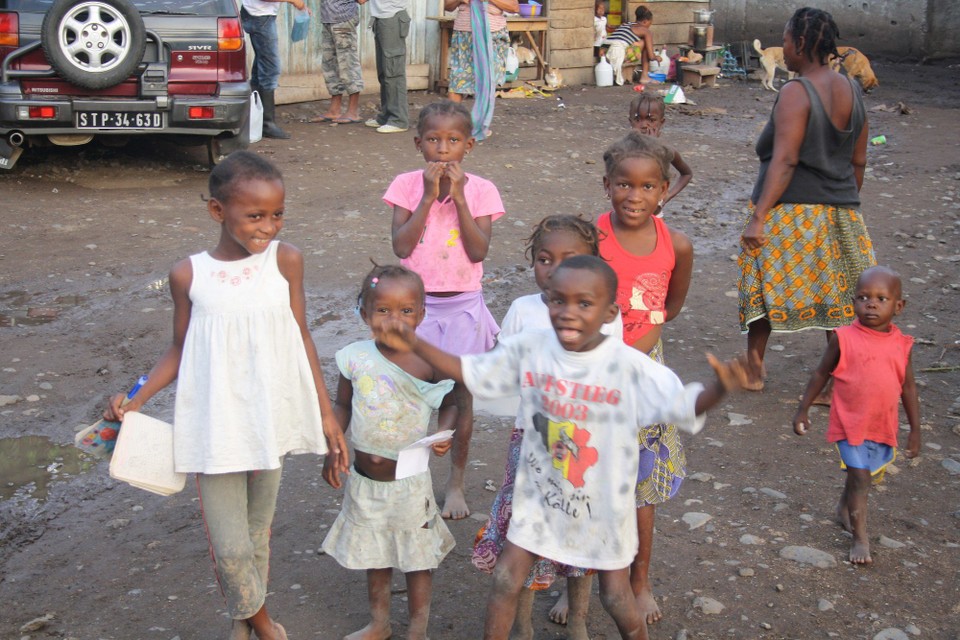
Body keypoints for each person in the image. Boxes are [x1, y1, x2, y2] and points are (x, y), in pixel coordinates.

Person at [378, 254, 750, 640]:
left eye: (584, 303)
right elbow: (472, 371)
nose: (568, 312)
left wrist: (719, 387)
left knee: (615, 596)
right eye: (558, 300)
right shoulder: (531, 348)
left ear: (610, 313)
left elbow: (683, 405)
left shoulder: (627, 366)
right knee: (506, 578)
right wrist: (415, 342)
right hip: (538, 497)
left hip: (602, 509)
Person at [101, 151, 349, 640]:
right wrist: (135, 396)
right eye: (254, 215)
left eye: (277, 214)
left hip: (269, 419)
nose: (268, 226)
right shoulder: (189, 275)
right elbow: (178, 348)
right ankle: (264, 625)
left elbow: (301, 334)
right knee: (230, 545)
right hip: (214, 426)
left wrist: (327, 414)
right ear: (218, 212)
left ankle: (241, 625)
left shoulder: (287, 261)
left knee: (258, 534)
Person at [471, 215, 623, 640]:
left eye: (569, 259)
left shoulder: (606, 313)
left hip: (583, 445)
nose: (554, 268)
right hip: (532, 441)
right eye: (543, 258)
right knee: (524, 532)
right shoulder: (523, 310)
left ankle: (578, 617)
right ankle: (521, 626)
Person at [739, 7, 875, 394]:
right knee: (838, 295)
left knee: (762, 289)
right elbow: (859, 161)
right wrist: (842, 202)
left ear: (801, 43)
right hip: (842, 210)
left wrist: (759, 216)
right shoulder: (851, 89)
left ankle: (754, 369)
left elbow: (785, 158)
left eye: (784, 41)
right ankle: (840, 381)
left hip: (788, 209)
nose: (782, 49)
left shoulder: (796, 92)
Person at [321, 264, 457, 640]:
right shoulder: (354, 358)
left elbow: (455, 399)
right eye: (382, 310)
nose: (394, 320)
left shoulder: (428, 361)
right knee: (375, 555)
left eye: (406, 310)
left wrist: (445, 432)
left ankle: (418, 628)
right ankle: (379, 623)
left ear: (422, 314)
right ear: (364, 313)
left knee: (417, 560)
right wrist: (333, 446)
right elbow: (342, 406)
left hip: (409, 481)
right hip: (366, 481)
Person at [386, 100, 505, 519]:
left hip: (464, 308)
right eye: (433, 140)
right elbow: (401, 247)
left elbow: (478, 250)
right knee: (411, 395)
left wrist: (457, 199)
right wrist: (426, 198)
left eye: (453, 141)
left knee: (461, 398)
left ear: (468, 146)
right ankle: (412, 482)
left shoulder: (482, 190)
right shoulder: (405, 185)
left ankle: (455, 483)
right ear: (419, 144)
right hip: (415, 310)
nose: (443, 149)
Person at [597, 131, 693, 625]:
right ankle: (575, 579)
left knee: (641, 483)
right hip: (591, 372)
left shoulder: (676, 243)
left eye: (647, 187)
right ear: (607, 184)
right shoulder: (591, 237)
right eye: (623, 185)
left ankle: (640, 579)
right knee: (583, 475)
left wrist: (640, 336)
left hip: (643, 375)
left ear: (663, 191)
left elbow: (669, 308)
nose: (634, 197)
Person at [793, 266, 921, 565]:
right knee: (861, 477)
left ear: (898, 306)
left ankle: (843, 508)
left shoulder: (903, 345)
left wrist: (915, 429)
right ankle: (860, 538)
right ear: (854, 303)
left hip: (881, 424)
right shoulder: (843, 338)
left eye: (881, 298)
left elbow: (909, 386)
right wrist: (804, 408)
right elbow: (820, 373)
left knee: (864, 477)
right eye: (863, 297)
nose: (871, 304)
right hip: (849, 423)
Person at [443, 0, 519, 140]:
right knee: (459, 79)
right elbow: (447, 6)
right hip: (464, 34)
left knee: (488, 80)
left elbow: (514, 7)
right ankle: (452, 127)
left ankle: (478, 125)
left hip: (492, 35)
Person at [241, 0, 306, 139]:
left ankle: (254, 119)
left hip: (256, 14)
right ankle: (267, 124)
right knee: (270, 69)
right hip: (259, 16)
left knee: (261, 67)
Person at [628, 93, 693, 209]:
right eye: (638, 119)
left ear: (661, 123)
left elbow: (687, 174)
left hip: (653, 215)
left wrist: (667, 196)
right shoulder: (623, 150)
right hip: (626, 211)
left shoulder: (665, 151)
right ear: (630, 121)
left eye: (651, 120)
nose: (643, 125)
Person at [311, 0, 365, 124]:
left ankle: (353, 111)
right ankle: (334, 110)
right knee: (330, 65)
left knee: (348, 63)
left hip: (343, 18)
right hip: (328, 18)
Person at [364, 0, 411, 133]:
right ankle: (386, 115)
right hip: (381, 17)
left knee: (393, 70)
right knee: (384, 70)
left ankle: (399, 119)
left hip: (392, 16)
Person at [602, 5, 656, 86]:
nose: (649, 26)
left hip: (604, 51)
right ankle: (644, 77)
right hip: (616, 53)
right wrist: (657, 57)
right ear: (645, 21)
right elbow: (651, 57)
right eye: (650, 23)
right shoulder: (645, 31)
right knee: (645, 43)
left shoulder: (626, 24)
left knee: (637, 42)